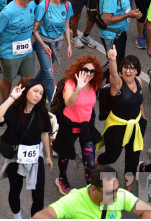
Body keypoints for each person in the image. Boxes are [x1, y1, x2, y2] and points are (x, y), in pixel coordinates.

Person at [0, 78, 53, 219]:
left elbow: (44, 133)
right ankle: (17, 217)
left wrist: (48, 156)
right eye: (35, 91)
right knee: (15, 190)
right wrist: (12, 97)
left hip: (35, 156)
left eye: (41, 93)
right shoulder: (13, 110)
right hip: (15, 156)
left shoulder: (41, 111)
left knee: (39, 197)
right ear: (26, 91)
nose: (37, 95)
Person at [52, 55, 104, 195]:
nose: (88, 74)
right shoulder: (71, 83)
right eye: (85, 70)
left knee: (90, 162)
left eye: (92, 71)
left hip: (86, 126)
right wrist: (79, 88)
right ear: (78, 69)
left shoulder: (94, 84)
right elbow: (69, 103)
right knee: (65, 155)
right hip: (70, 126)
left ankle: (91, 190)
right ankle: (62, 178)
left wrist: (112, 60)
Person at [97, 49, 146, 190]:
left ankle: (128, 192)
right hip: (116, 128)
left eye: (132, 68)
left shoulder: (139, 81)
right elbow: (112, 73)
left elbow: (139, 100)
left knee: (132, 160)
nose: (128, 71)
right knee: (111, 157)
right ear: (121, 69)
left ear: (137, 71)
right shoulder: (117, 84)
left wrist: (143, 118)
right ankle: (93, 164)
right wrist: (113, 59)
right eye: (125, 67)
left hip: (135, 126)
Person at [34, 165, 151, 219]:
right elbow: (40, 217)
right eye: (109, 192)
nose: (115, 196)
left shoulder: (120, 196)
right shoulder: (74, 200)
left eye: (116, 190)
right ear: (93, 188)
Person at [0, 0, 38, 102]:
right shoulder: (8, 12)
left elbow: (37, 15)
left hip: (27, 50)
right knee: (8, 80)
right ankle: (6, 104)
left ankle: (16, 98)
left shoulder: (32, 4)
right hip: (9, 52)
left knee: (28, 79)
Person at [32, 0, 73, 102]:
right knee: (49, 75)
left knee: (44, 71)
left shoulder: (67, 5)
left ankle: (29, 88)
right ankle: (53, 106)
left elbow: (66, 27)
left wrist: (69, 46)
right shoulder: (43, 5)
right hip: (43, 44)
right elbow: (34, 29)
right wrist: (43, 45)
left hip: (56, 44)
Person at [98, 0, 142, 73]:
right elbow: (107, 20)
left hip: (120, 32)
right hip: (111, 35)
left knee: (118, 63)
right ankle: (98, 84)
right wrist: (128, 15)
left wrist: (132, 13)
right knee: (112, 65)